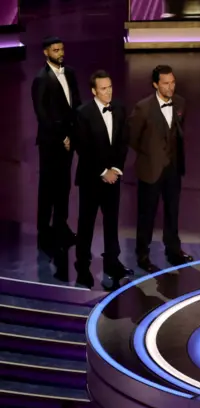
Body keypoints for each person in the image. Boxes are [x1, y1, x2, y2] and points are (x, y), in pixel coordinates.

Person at [129, 65, 193, 271]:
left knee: (172, 212)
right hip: (151, 169)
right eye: (165, 83)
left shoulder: (181, 103)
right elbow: (132, 138)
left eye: (173, 82)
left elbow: (178, 132)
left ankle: (173, 251)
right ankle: (142, 255)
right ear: (156, 84)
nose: (170, 87)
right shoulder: (143, 108)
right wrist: (150, 154)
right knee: (146, 215)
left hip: (173, 168)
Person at [74, 70, 133, 287]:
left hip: (113, 178)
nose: (108, 92)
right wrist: (103, 172)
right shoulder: (83, 113)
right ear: (93, 91)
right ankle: (82, 266)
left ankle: (112, 262)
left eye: (109, 87)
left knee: (111, 222)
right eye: (103, 89)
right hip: (91, 179)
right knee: (86, 223)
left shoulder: (119, 108)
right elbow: (83, 148)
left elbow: (123, 142)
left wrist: (116, 169)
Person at [31, 36, 81, 254]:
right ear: (46, 52)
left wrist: (74, 133)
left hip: (69, 140)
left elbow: (76, 104)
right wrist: (62, 136)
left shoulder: (69, 72)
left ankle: (61, 226)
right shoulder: (41, 79)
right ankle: (44, 232)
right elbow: (42, 114)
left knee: (64, 186)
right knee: (48, 188)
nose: (60, 53)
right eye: (55, 49)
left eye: (61, 49)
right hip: (51, 142)